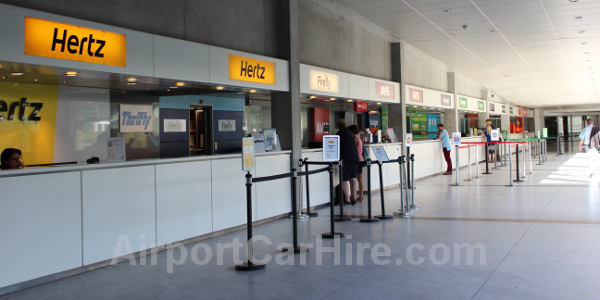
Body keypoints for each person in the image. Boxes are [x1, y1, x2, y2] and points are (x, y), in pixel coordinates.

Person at [336, 119, 359, 205]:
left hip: (346, 159)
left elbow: (337, 147)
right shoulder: (350, 133)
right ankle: (354, 198)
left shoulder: (339, 134)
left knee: (344, 179)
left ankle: (347, 199)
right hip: (355, 158)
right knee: (353, 178)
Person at [348, 124, 364, 203]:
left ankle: (355, 197)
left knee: (355, 179)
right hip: (360, 160)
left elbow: (351, 147)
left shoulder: (354, 137)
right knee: (360, 179)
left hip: (356, 161)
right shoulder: (359, 137)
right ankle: (360, 196)